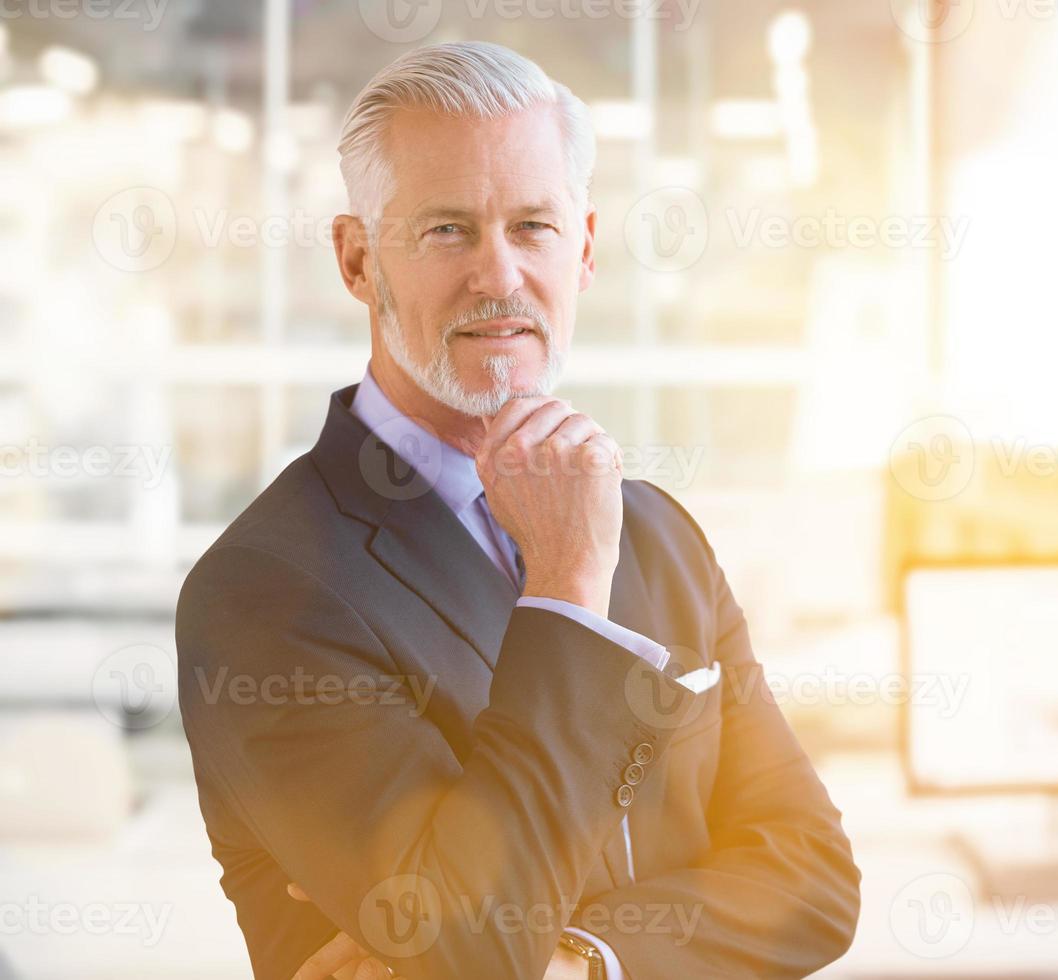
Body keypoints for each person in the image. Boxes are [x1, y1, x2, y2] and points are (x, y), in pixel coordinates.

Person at [176, 40, 860, 980]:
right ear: (357, 258)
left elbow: (813, 881)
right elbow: (469, 943)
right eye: (446, 230)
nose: (497, 277)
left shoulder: (657, 533)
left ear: (581, 250)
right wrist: (570, 591)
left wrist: (582, 958)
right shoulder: (268, 588)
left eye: (531, 227)